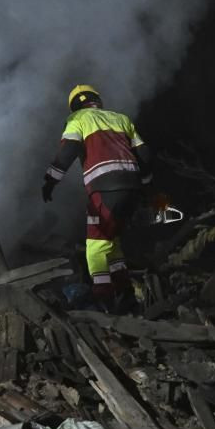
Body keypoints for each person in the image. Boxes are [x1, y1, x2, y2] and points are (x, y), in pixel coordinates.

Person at [42, 84, 152, 308]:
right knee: (112, 242)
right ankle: (126, 295)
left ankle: (104, 301)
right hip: (132, 188)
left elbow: (67, 153)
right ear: (98, 101)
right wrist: (146, 183)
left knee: (95, 247)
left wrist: (50, 182)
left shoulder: (77, 119)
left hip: (104, 189)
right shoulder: (120, 118)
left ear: (74, 107)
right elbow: (144, 154)